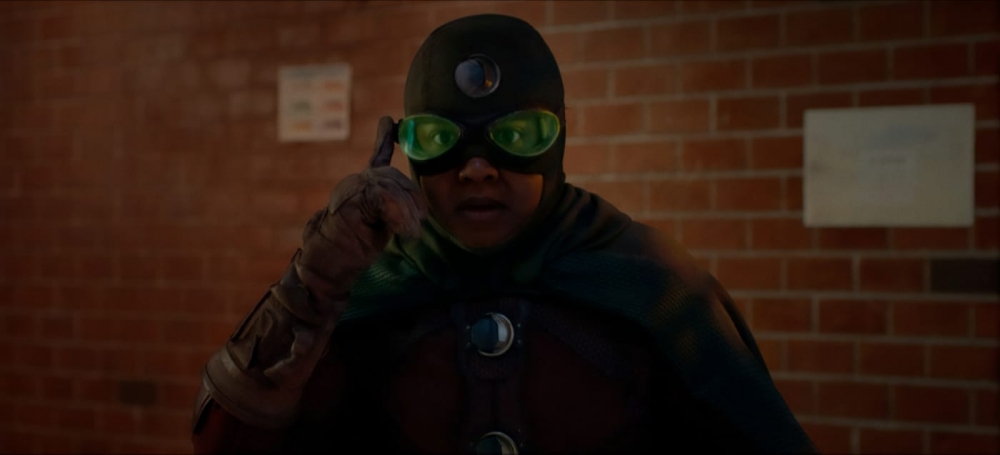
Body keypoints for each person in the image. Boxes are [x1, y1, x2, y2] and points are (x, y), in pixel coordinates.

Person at [191, 14, 817, 454]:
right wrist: (313, 285)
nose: (477, 168)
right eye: (439, 138)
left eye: (517, 135)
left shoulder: (647, 282)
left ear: (558, 139)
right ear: (402, 147)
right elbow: (228, 445)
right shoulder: (362, 285)